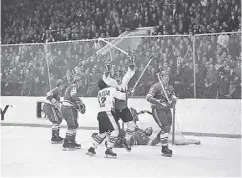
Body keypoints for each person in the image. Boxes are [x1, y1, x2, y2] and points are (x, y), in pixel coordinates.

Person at [102, 56, 136, 151]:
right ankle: (109, 146)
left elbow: (130, 73)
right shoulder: (113, 83)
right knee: (114, 130)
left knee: (132, 125)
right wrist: (108, 68)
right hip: (115, 110)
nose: (118, 78)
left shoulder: (124, 82)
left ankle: (126, 140)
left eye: (119, 75)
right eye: (116, 76)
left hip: (124, 109)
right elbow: (106, 78)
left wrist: (131, 61)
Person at [86, 79, 127, 157]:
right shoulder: (111, 89)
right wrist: (128, 93)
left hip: (100, 114)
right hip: (107, 113)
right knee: (115, 131)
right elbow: (121, 96)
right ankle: (109, 149)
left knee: (102, 133)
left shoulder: (99, 93)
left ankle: (92, 148)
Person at [146, 71, 177, 157]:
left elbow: (173, 97)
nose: (167, 78)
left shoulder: (170, 87)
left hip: (166, 109)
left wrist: (173, 101)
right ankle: (164, 148)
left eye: (168, 76)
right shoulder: (156, 86)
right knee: (165, 127)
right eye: (165, 76)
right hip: (158, 109)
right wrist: (158, 102)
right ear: (161, 77)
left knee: (168, 128)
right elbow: (148, 97)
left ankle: (156, 141)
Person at [61, 76, 86, 151]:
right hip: (68, 107)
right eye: (80, 81)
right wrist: (79, 101)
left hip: (67, 107)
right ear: (77, 81)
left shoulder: (71, 86)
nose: (81, 83)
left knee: (75, 125)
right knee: (72, 125)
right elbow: (73, 96)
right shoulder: (73, 86)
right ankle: (67, 143)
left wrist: (77, 104)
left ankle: (71, 141)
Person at [43, 79, 64, 144]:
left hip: (51, 106)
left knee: (59, 119)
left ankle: (56, 135)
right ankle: (54, 137)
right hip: (49, 106)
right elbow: (48, 94)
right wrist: (54, 101)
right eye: (62, 84)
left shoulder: (58, 91)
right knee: (56, 120)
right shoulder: (56, 89)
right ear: (60, 85)